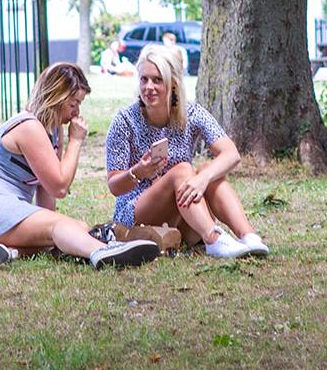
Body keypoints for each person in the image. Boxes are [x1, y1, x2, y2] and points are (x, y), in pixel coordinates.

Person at [0, 62, 160, 269]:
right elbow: (59, 186)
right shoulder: (29, 127)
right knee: (61, 228)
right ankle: (103, 252)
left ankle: (5, 253)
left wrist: (54, 226)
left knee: (73, 229)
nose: (77, 112)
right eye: (74, 104)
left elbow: (46, 197)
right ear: (57, 97)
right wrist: (76, 141)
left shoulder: (53, 130)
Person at [104, 44, 267, 258]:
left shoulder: (191, 113)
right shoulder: (124, 120)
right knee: (182, 170)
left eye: (157, 80)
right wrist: (138, 172)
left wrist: (204, 178)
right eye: (144, 79)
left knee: (210, 169)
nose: (148, 87)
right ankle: (213, 239)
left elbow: (231, 153)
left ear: (173, 84)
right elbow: (114, 186)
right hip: (137, 212)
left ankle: (249, 237)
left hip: (184, 210)